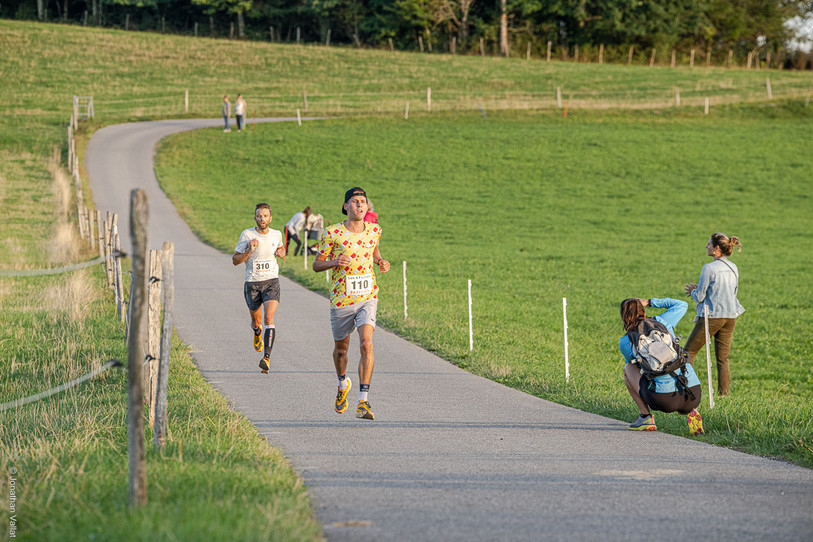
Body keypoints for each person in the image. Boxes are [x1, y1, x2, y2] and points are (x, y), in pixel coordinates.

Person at [313, 187, 390, 420]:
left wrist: (381, 261)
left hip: (368, 296)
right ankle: (342, 383)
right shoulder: (332, 233)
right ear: (346, 206)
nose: (359, 205)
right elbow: (317, 264)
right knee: (342, 350)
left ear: (367, 207)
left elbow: (374, 251)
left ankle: (363, 401)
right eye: (355, 202)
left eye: (363, 202)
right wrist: (335, 261)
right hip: (342, 298)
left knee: (367, 344)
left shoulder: (374, 230)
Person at [619, 297, 704, 435]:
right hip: (693, 393)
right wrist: (650, 301)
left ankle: (645, 417)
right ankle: (692, 411)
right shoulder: (663, 322)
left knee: (628, 368)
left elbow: (635, 368)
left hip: (664, 400)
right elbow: (681, 304)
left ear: (624, 316)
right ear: (643, 309)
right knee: (680, 363)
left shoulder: (626, 341)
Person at [683, 233, 744, 396]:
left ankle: (689, 392)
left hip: (713, 316)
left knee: (687, 353)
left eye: (709, 244)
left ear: (717, 249)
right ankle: (724, 394)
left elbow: (701, 296)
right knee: (723, 359)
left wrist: (693, 291)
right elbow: (732, 292)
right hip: (730, 316)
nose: (706, 247)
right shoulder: (733, 267)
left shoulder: (709, 268)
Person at [232, 203, 286, 374]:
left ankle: (266, 358)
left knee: (269, 318)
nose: (262, 219)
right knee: (257, 323)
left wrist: (282, 252)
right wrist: (248, 250)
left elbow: (280, 248)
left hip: (271, 281)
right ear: (255, 218)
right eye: (259, 216)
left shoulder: (277, 234)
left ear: (270, 218)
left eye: (265, 215)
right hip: (252, 284)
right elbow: (235, 260)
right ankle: (257, 332)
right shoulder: (247, 235)